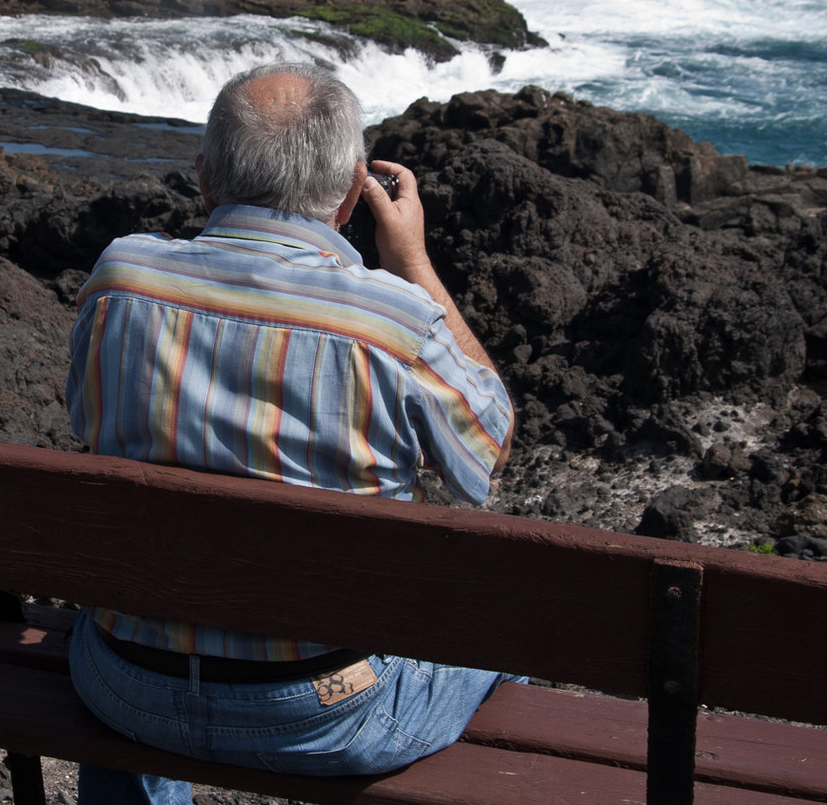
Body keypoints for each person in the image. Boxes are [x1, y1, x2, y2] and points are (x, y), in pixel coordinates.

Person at [65, 63, 520, 805]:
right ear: (351, 194)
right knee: (509, 617)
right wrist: (411, 261)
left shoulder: (120, 281)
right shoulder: (394, 323)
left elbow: (88, 424)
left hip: (123, 685)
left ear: (205, 180)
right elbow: (487, 445)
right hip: (324, 713)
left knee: (146, 617)